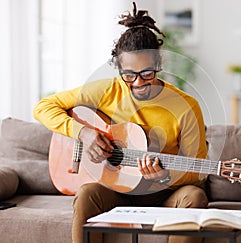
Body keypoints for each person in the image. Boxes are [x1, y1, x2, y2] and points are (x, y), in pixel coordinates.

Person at [33, 2, 208, 243]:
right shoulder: (105, 91)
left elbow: (197, 173)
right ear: (118, 68)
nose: (138, 83)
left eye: (147, 73)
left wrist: (164, 176)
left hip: (164, 194)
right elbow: (43, 107)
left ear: (159, 64)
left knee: (195, 197)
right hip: (116, 191)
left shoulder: (186, 106)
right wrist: (83, 133)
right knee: (86, 194)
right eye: (129, 75)